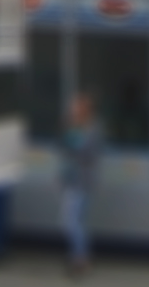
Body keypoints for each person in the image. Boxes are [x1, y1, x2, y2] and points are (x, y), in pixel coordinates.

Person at [54, 89, 100, 277]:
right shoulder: (75, 127)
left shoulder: (91, 129)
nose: (72, 111)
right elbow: (63, 147)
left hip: (81, 182)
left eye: (75, 108)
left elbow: (82, 151)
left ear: (83, 109)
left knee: (72, 221)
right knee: (71, 221)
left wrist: (71, 133)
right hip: (72, 180)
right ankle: (78, 256)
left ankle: (80, 259)